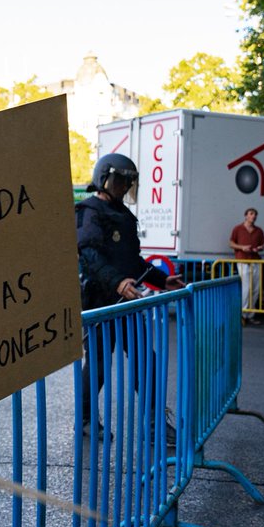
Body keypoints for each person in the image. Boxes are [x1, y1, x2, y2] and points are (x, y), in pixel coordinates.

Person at [75, 154, 185, 438]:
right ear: (105, 178)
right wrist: (117, 282)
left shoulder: (124, 215)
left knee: (145, 359)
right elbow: (89, 253)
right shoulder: (89, 210)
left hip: (128, 300)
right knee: (98, 363)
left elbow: (133, 260)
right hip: (101, 301)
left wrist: (163, 280)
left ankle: (154, 423)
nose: (125, 186)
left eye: (128, 182)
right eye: (121, 180)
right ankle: (86, 421)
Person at [229, 207, 264, 325]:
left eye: (255, 214)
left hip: (255, 260)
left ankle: (250, 314)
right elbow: (231, 243)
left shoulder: (258, 230)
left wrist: (259, 248)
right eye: (251, 214)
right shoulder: (238, 229)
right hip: (243, 260)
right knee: (246, 288)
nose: (253, 216)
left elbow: (262, 245)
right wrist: (242, 247)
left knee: (255, 288)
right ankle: (242, 314)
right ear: (246, 216)